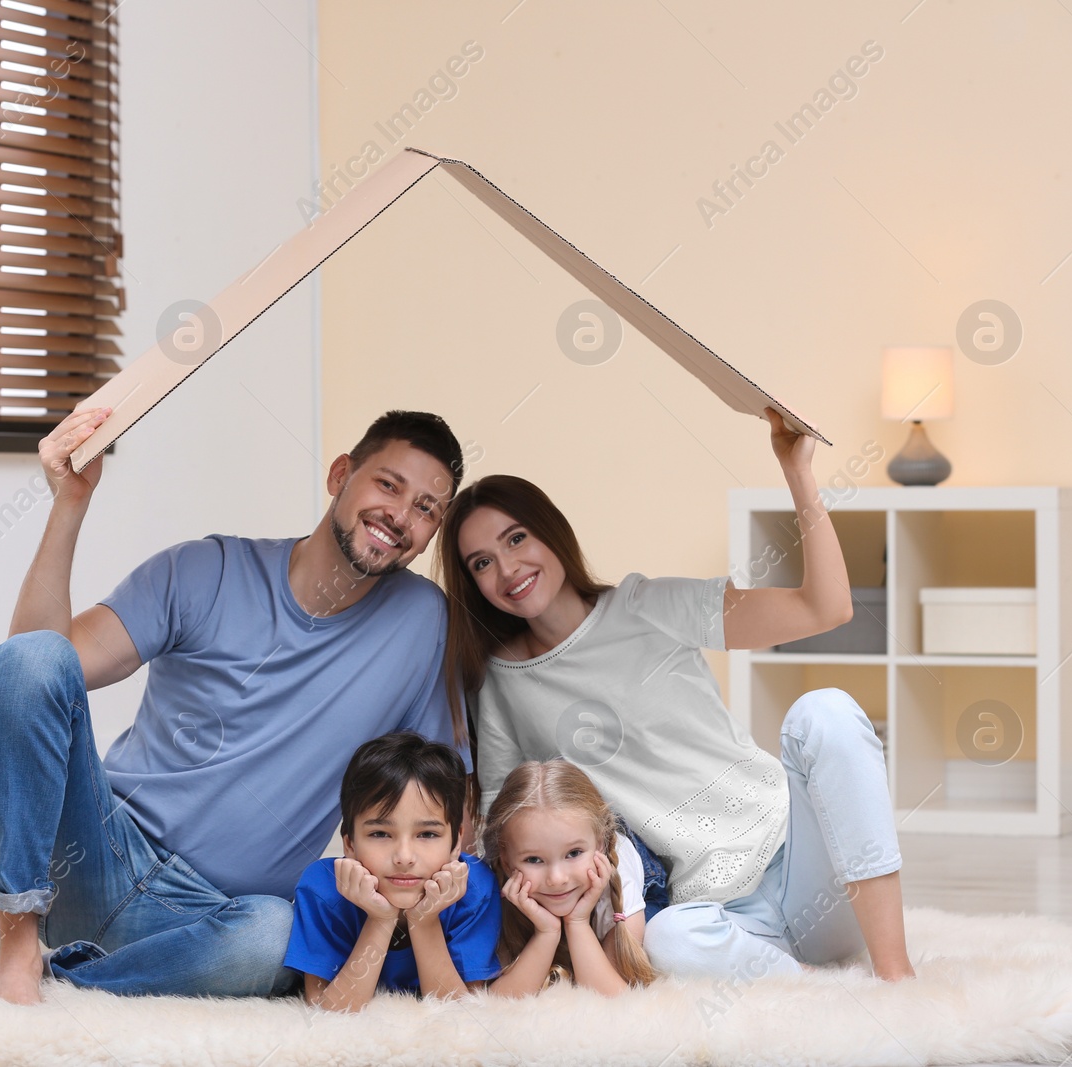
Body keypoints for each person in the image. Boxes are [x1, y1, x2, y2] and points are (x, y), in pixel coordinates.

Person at [0, 407, 470, 1003]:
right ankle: (16, 959)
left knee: (275, 937)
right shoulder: (204, 570)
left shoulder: (425, 623)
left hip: (214, 916)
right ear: (340, 474)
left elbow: (440, 790)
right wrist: (69, 505)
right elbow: (39, 664)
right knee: (29, 658)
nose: (400, 516)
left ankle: (48, 981)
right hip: (95, 855)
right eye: (388, 484)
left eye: (427, 508)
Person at [437, 408, 916, 983]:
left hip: (813, 865)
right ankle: (819, 992)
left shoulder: (648, 606)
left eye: (517, 538)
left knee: (826, 711)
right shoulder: (500, 682)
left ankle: (896, 978)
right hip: (720, 914)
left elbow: (826, 608)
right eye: (482, 563)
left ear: (551, 532)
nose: (508, 568)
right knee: (670, 942)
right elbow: (503, 817)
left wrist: (797, 472)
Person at [283, 732, 501, 1011]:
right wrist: (380, 920)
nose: (404, 857)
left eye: (427, 834)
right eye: (380, 834)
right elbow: (328, 1012)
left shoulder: (475, 888)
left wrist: (424, 920)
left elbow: (460, 1012)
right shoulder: (323, 888)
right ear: (349, 843)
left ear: (455, 842)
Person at [482, 759, 656, 996]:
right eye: (533, 859)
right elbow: (498, 1001)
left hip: (647, 882)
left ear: (601, 846)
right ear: (506, 861)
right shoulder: (494, 886)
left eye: (573, 853)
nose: (557, 879)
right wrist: (546, 933)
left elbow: (613, 998)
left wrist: (577, 922)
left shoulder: (616, 880)